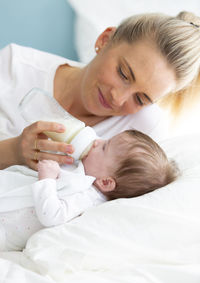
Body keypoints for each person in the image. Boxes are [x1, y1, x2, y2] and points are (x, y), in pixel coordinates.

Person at [0, 11, 200, 171]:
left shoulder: (142, 131)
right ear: (104, 40)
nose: (118, 98)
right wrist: (13, 151)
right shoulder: (14, 66)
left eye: (140, 99)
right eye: (123, 73)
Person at [0, 129, 178, 251]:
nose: (96, 142)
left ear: (106, 183)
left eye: (104, 147)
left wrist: (47, 180)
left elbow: (52, 216)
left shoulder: (88, 197)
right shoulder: (84, 175)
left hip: (7, 225)